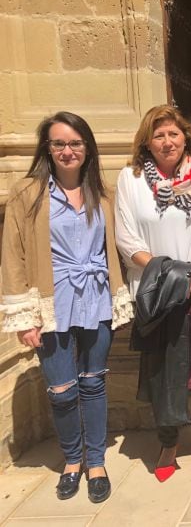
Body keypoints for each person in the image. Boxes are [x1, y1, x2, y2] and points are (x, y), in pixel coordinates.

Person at [0, 112, 133, 503]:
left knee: (93, 383)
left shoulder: (103, 193)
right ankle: (71, 460)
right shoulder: (28, 193)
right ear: (47, 148)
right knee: (61, 389)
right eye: (58, 143)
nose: (67, 150)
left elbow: (116, 251)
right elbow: (14, 258)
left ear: (87, 147)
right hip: (51, 303)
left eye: (75, 143)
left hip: (96, 297)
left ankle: (95, 462)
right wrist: (25, 316)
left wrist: (122, 298)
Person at [115, 105, 191, 482]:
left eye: (174, 134)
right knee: (161, 367)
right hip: (156, 291)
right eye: (159, 135)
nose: (167, 141)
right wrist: (168, 275)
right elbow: (127, 239)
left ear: (186, 138)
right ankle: (167, 440)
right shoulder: (130, 180)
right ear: (147, 141)